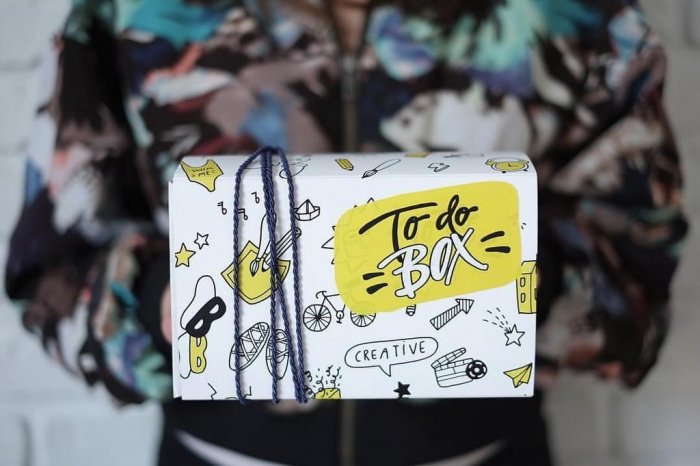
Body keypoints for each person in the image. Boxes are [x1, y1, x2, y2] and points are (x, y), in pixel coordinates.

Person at [5, 0, 687, 464]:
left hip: (483, 451)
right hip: (217, 453)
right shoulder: (130, 15)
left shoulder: (576, 14)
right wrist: (165, 300)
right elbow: (52, 268)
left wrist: (520, 280)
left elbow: (642, 264)